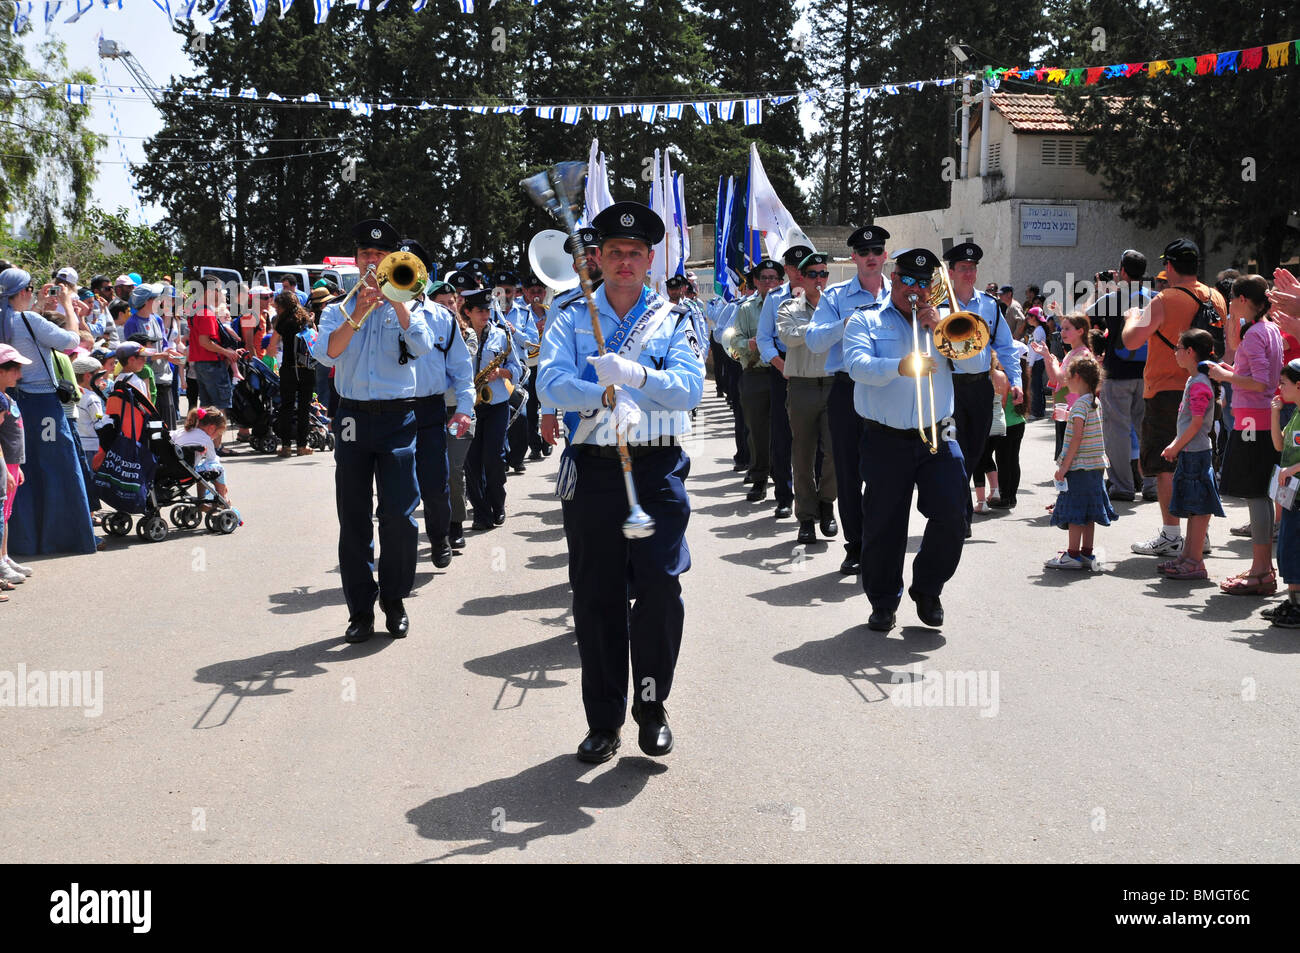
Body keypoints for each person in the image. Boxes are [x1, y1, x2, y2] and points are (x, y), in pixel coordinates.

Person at [537, 200, 704, 764]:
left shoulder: (674, 319)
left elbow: (687, 390)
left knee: (659, 587)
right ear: (599, 259)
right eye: (615, 253)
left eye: (635, 253)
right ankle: (603, 721)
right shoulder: (569, 317)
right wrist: (601, 394)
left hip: (655, 468)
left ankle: (652, 707)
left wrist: (637, 375)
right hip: (595, 469)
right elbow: (550, 386)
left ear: (650, 259)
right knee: (597, 596)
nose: (625, 262)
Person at [310, 219, 436, 644]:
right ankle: (360, 610)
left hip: (398, 417)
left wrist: (397, 300)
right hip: (350, 417)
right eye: (366, 255)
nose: (372, 262)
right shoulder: (335, 309)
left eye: (380, 256)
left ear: (393, 260)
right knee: (354, 516)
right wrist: (359, 310)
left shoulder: (413, 306)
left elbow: (421, 346)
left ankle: (395, 600)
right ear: (356, 259)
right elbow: (328, 355)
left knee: (399, 516)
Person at [843, 248, 965, 631]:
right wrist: (900, 366)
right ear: (893, 280)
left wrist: (939, 330)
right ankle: (883, 601)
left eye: (922, 284)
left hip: (939, 433)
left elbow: (976, 363)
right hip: (885, 438)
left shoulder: (949, 323)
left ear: (932, 287)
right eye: (907, 281)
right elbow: (856, 365)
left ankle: (928, 588)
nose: (914, 291)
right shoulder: (864, 320)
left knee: (952, 513)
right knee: (884, 523)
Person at [1123, 239, 1228, 558]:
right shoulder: (1216, 297)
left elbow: (1131, 341)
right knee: (1198, 461)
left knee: (1165, 463)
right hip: (1206, 387)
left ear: (1169, 266)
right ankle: (1201, 536)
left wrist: (1132, 315)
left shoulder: (1164, 299)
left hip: (1167, 389)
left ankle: (1171, 534)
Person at [805, 225, 892, 574]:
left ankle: (879, 540)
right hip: (847, 387)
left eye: (877, 252)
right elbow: (814, 341)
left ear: (885, 255)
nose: (871, 258)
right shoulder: (837, 296)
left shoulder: (899, 292)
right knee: (848, 470)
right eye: (864, 253)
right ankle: (855, 545)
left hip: (889, 388)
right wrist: (848, 322)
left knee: (886, 471)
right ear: (854, 258)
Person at [0, 267, 97, 556]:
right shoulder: (27, 319)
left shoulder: (10, 319)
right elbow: (71, 341)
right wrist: (67, 304)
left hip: (13, 402)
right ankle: (64, 538)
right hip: (42, 404)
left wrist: (40, 306)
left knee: (21, 471)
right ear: (23, 292)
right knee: (59, 468)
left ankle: (21, 542)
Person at [941, 242, 1023, 538]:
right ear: (950, 272)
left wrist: (1016, 381)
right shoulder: (937, 305)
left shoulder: (989, 305)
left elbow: (1006, 346)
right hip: (948, 387)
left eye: (973, 268)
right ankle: (960, 514)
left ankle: (960, 509)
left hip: (979, 387)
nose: (969, 273)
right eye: (963, 268)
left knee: (975, 452)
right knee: (954, 454)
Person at [1209, 275, 1282, 596]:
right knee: (1260, 494)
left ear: (1241, 299)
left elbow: (1261, 382)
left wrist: (1225, 374)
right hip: (1262, 418)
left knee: (1255, 493)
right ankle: (1263, 567)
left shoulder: (1255, 334)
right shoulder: (1270, 329)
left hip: (1254, 420)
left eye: (1232, 299)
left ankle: (1261, 570)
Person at [403, 240, 473, 568]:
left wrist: (464, 407)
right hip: (393, 409)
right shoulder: (378, 313)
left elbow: (461, 367)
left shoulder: (442, 317)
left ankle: (439, 536)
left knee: (435, 483)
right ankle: (399, 549)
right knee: (397, 489)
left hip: (430, 408)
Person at [776, 251, 838, 545]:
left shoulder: (835, 306)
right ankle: (805, 517)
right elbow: (789, 336)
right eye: (812, 274)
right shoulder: (789, 307)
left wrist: (829, 327)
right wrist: (827, 329)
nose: (819, 279)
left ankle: (827, 505)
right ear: (801, 277)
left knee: (834, 453)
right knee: (802, 454)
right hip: (801, 385)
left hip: (833, 383)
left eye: (823, 273)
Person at [1156, 329, 1224, 581]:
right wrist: (1176, 444)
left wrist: (1176, 446)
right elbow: (1188, 424)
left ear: (1190, 352)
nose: (1175, 353)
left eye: (1177, 348)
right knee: (1193, 508)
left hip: (1196, 454)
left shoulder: (1199, 384)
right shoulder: (1194, 380)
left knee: (1197, 510)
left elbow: (1196, 424)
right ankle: (1187, 556)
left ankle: (1195, 560)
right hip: (1191, 452)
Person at [1087, 250, 1153, 502]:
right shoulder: (1153, 297)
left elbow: (1083, 315)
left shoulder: (1113, 298)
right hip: (1147, 372)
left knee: (1117, 431)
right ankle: (1152, 484)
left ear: (1122, 271)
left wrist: (1102, 289)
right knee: (1146, 429)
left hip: (1117, 373)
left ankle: (1123, 486)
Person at [1044, 355, 1115, 570]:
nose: (1065, 380)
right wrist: (1069, 416)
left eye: (1067, 376)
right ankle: (1086, 552)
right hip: (1095, 465)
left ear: (1077, 377)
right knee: (1090, 511)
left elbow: (1076, 438)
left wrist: (1064, 466)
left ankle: (1072, 554)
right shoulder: (1094, 402)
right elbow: (1085, 429)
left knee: (1076, 511)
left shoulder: (1079, 406)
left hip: (1079, 465)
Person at [755, 243, 809, 520]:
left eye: (804, 268)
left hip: (813, 370)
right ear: (786, 270)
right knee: (782, 435)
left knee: (815, 438)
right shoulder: (775, 298)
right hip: (783, 369)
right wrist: (779, 364)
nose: (800, 274)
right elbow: (764, 337)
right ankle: (784, 497)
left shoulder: (822, 294)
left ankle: (813, 501)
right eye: (793, 269)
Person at [462, 288, 521, 531]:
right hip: (469, 406)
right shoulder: (460, 336)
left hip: (495, 404)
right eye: (480, 311)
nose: (486, 315)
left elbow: (518, 370)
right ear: (468, 312)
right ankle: (480, 512)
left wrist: (502, 373)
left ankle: (498, 504)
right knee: (471, 462)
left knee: (493, 459)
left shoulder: (501, 336)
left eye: (488, 310)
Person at [732, 260, 782, 505]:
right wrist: (749, 344)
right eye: (764, 278)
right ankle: (760, 477)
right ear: (755, 281)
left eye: (774, 278)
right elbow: (734, 341)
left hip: (782, 374)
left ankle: (783, 481)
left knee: (785, 431)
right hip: (756, 373)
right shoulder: (746, 308)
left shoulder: (789, 304)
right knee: (757, 430)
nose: (769, 282)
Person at [1263, 361, 1300, 626]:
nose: (1280, 388)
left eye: (1284, 383)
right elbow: (1278, 444)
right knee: (1287, 547)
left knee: (1294, 548)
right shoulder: (1296, 413)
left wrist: (1292, 469)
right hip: (1292, 495)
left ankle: (1297, 607)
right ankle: (1293, 601)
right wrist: (1275, 414)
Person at [1032, 313, 1093, 460]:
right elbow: (1054, 379)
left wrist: (1053, 363)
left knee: (1072, 456)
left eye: (1067, 328)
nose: (1062, 332)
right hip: (1065, 409)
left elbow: (1065, 380)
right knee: (1064, 454)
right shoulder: (1072, 352)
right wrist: (1047, 357)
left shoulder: (1083, 353)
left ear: (1080, 331)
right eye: (1062, 328)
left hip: (1075, 409)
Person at [267, 290, 318, 457]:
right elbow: (315, 340)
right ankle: (302, 445)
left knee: (286, 407)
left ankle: (286, 446)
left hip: (289, 370)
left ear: (282, 307)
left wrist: (272, 360)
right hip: (307, 369)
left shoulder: (282, 322)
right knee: (304, 407)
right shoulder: (307, 320)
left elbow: (271, 347)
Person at [0, 345, 32, 588]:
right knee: (1, 514)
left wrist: (15, 466)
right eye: (15, 369)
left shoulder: (8, 397)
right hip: (4, 465)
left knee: (6, 515)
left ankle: (5, 556)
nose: (19, 375)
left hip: (11, 464)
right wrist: (4, 466)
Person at [172, 407, 233, 507]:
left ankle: (202, 500)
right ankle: (222, 497)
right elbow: (212, 459)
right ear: (212, 428)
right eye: (217, 434)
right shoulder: (206, 438)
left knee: (201, 469)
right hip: (187, 471)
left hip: (172, 469)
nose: (215, 437)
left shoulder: (180, 431)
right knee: (217, 468)